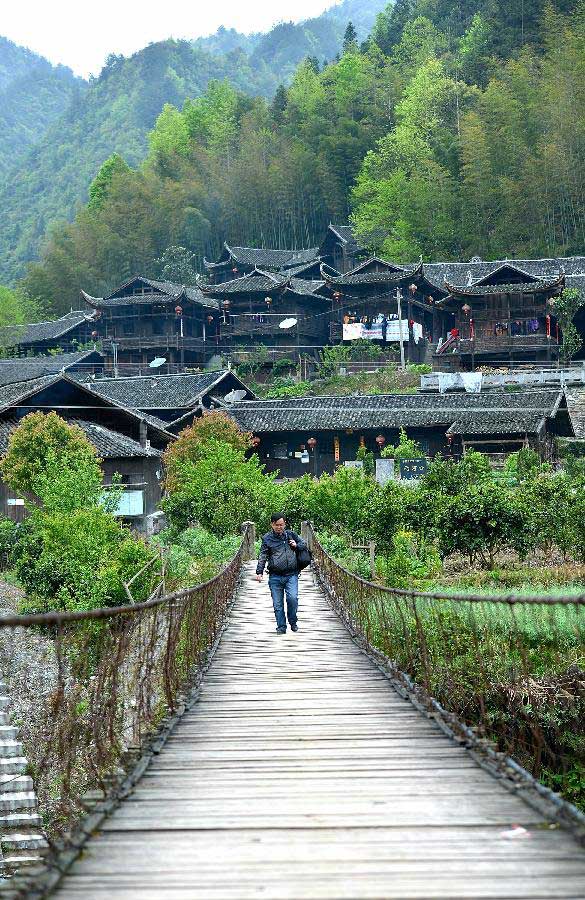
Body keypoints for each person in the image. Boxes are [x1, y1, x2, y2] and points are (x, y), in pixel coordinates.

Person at [255, 514, 308, 634]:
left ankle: (293, 621)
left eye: (282, 524)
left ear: (285, 524)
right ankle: (281, 627)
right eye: (277, 525)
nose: (279, 527)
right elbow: (262, 555)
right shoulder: (267, 538)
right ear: (272, 524)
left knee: (292, 599)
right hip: (275, 576)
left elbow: (304, 544)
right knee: (277, 604)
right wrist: (259, 571)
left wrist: (296, 545)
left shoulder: (291, 534)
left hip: (291, 574)